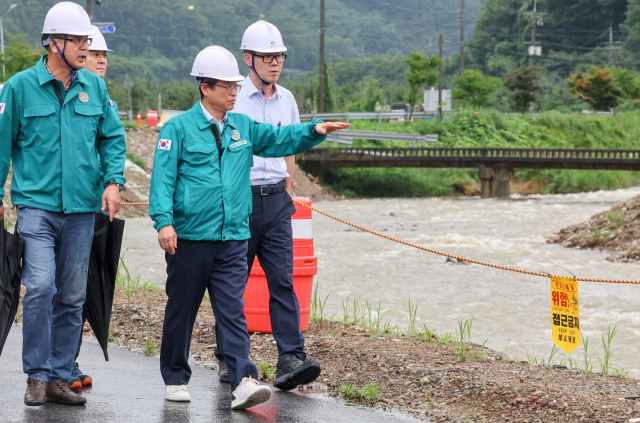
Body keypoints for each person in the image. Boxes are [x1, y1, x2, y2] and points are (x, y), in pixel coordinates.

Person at [149, 45, 348, 409]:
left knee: (232, 311)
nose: (234, 92)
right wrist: (164, 222)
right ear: (205, 87)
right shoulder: (176, 129)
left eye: (236, 87)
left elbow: (277, 139)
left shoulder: (242, 126)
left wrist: (313, 130)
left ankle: (243, 378)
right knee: (182, 308)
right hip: (191, 238)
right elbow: (161, 181)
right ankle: (175, 377)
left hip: (232, 237)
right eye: (226, 86)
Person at [0, 2, 126, 407]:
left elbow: (112, 138)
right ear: (54, 42)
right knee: (39, 286)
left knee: (71, 294)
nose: (86, 48)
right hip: (36, 206)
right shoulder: (18, 88)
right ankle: (35, 375)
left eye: (88, 40)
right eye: (79, 40)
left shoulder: (96, 88)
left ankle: (58, 376)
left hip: (82, 210)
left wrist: (112, 181)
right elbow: (2, 147)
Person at [215, 20, 319, 391]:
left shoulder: (286, 99)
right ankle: (230, 357)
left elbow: (287, 143)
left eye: (280, 56)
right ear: (249, 58)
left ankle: (291, 357)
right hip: (240, 200)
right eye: (268, 56)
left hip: (276, 200)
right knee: (232, 283)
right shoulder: (232, 97)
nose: (275, 62)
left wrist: (289, 183)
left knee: (282, 280)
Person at [67, 26, 116, 391]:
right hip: (67, 205)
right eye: (94, 53)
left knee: (86, 288)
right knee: (60, 286)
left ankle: (69, 357)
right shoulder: (69, 92)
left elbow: (112, 147)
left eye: (104, 55)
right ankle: (63, 363)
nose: (100, 60)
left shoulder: (104, 100)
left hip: (100, 209)